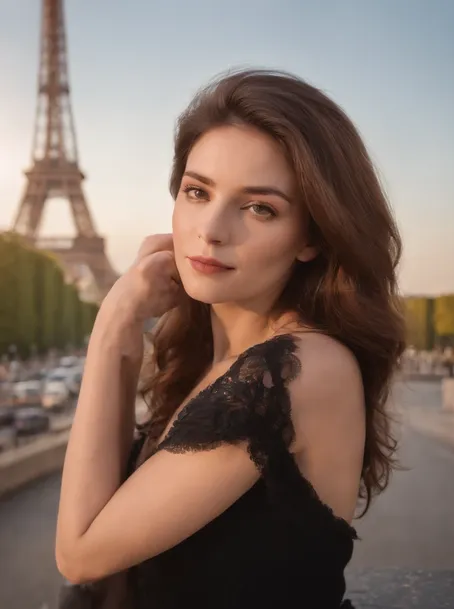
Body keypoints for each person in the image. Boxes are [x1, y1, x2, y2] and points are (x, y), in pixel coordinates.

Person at [55, 68, 405, 609]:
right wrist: (124, 333)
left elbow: (80, 555)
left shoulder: (299, 370)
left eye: (258, 207)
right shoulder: (216, 358)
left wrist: (111, 324)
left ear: (310, 237)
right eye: (198, 191)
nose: (211, 228)